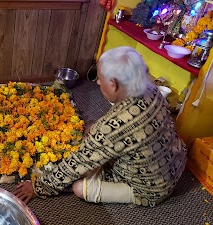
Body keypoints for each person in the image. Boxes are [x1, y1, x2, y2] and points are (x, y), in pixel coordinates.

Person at [13, 46, 187, 207]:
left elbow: (79, 162)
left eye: (100, 77)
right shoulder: (152, 90)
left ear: (113, 84)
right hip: (175, 163)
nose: (96, 82)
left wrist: (39, 187)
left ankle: (135, 194)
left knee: (79, 187)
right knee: (92, 133)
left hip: (150, 188)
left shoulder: (111, 129)